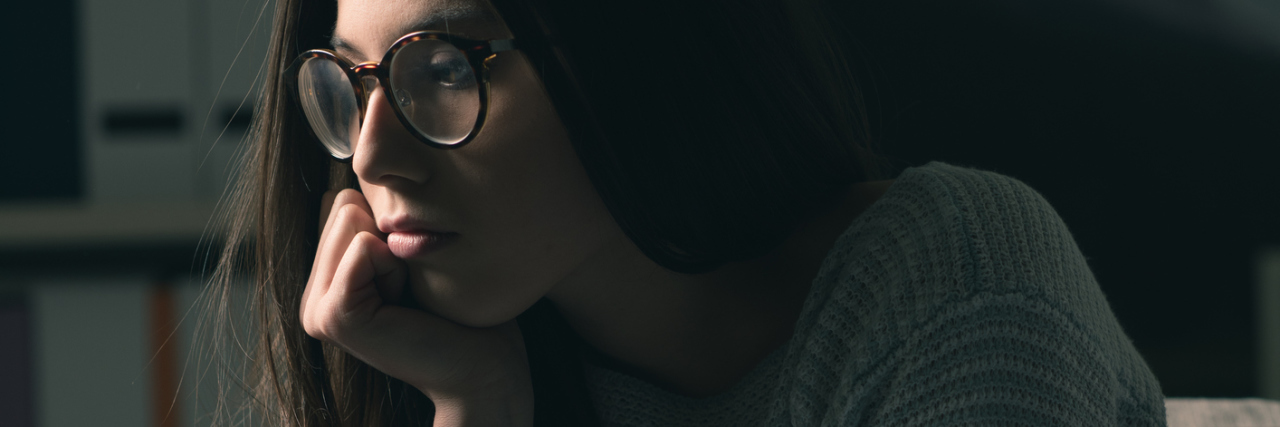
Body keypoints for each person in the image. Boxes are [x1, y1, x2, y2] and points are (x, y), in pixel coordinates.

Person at [201, 0, 1168, 425]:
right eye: (352, 82)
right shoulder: (466, 364)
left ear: (632, 59)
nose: (371, 154)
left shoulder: (957, 286)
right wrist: (477, 408)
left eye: (446, 68)